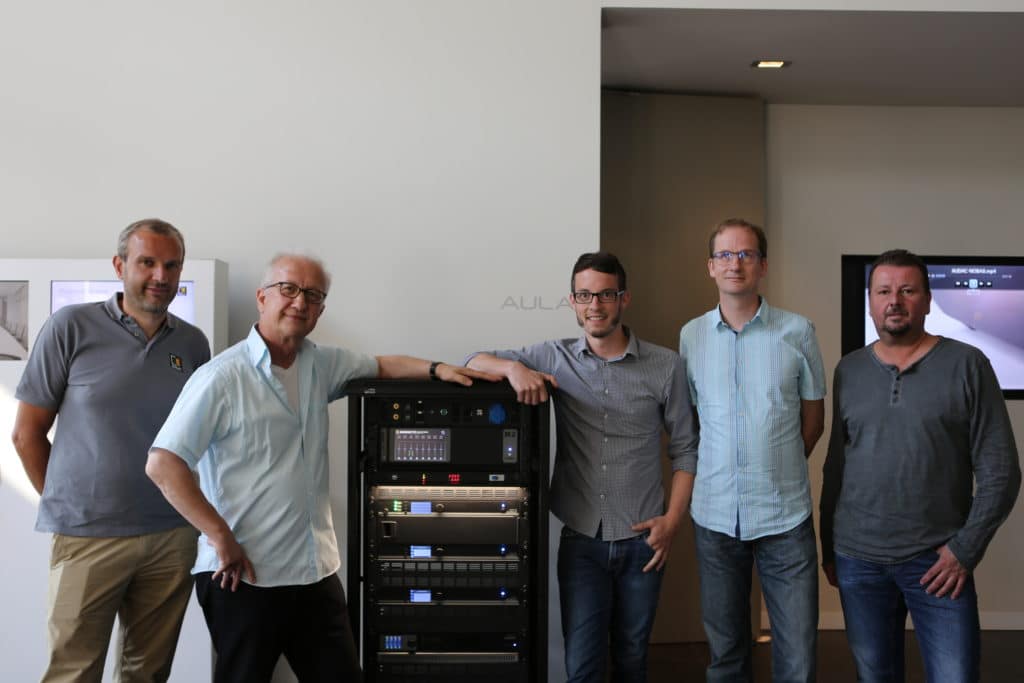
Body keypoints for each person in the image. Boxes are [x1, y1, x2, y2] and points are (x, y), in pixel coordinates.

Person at [145, 253, 495, 683]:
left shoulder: (321, 364)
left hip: (314, 573)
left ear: (320, 310)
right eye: (288, 289)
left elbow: (382, 366)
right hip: (243, 576)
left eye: (312, 295)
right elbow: (163, 463)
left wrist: (438, 369)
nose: (299, 302)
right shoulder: (222, 377)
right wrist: (219, 536)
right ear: (262, 297)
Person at [466, 251, 699, 683]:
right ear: (572, 301)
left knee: (632, 663)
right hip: (582, 543)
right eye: (585, 295)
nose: (595, 305)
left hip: (644, 541)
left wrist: (672, 522)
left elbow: (686, 450)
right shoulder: (553, 357)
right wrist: (514, 368)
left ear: (624, 298)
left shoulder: (665, 365)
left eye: (606, 294)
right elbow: (473, 361)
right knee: (583, 668)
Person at [11, 218, 210, 682]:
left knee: (148, 672)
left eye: (171, 265)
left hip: (172, 536)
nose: (160, 276)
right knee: (73, 672)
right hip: (89, 537)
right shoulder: (70, 327)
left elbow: (201, 437)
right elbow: (26, 434)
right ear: (120, 266)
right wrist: (67, 505)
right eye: (147, 262)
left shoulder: (192, 343)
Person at [820, 248, 1020, 682]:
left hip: (937, 562)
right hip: (857, 559)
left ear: (929, 301)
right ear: (870, 302)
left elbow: (1002, 472)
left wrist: (965, 550)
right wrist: (828, 547)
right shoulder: (849, 370)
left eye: (907, 291)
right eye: (883, 292)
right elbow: (836, 466)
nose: (894, 301)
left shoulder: (968, 365)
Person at [678, 218, 826, 683]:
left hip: (785, 516)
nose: (735, 264)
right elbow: (694, 421)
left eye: (746, 254)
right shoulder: (691, 336)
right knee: (726, 654)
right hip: (715, 516)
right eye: (725, 254)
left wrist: (776, 466)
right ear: (710, 267)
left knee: (797, 654)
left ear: (763, 265)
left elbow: (814, 420)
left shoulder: (798, 331)